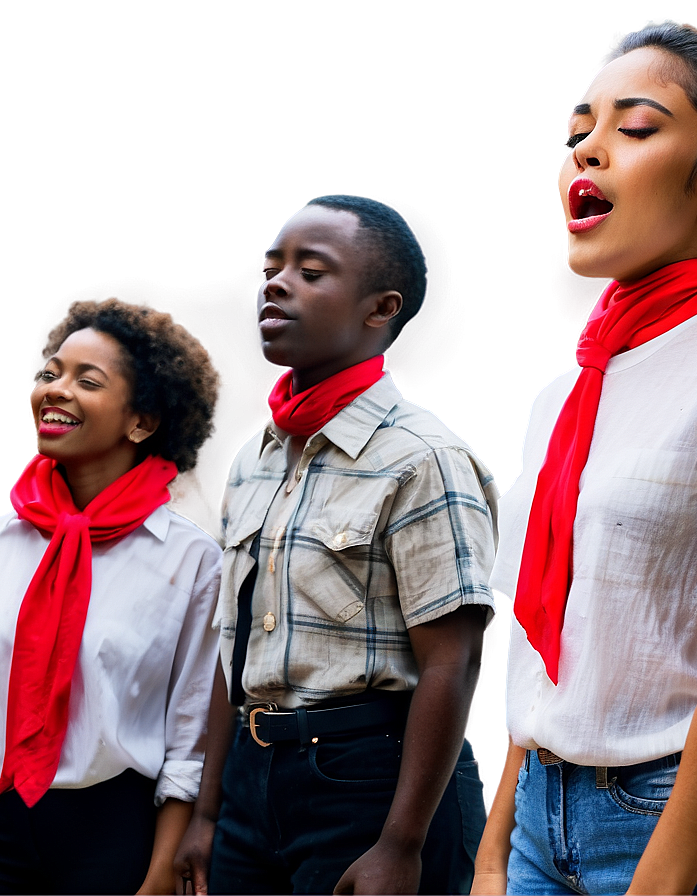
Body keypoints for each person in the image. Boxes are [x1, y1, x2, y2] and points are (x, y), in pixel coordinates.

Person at [471, 22, 697, 896]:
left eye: (633, 129)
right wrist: (494, 855)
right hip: (537, 815)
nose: (588, 153)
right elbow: (545, 646)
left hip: (692, 821)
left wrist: (658, 885)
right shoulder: (563, 396)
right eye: (577, 134)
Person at [174, 194, 498, 895]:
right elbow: (236, 655)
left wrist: (402, 844)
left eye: (311, 271)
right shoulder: (254, 460)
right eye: (272, 267)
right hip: (251, 787)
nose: (277, 283)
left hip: (369, 780)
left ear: (381, 308)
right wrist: (208, 813)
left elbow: (450, 663)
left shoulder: (423, 458)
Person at [0, 297, 223, 895]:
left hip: (116, 840)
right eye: (50, 374)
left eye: (86, 380)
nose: (55, 390)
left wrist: (157, 880)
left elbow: (192, 740)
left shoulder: (192, 560)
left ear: (142, 422)